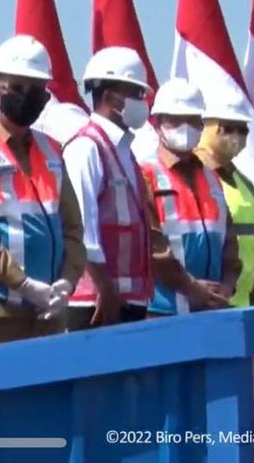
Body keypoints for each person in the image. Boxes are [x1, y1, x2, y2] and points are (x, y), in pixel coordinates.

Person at [0, 35, 86, 343]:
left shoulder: (52, 150)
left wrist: (67, 281)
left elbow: (73, 228)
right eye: (19, 88)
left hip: (51, 313)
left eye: (38, 91)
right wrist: (23, 284)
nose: (29, 97)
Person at [61, 46, 156, 330]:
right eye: (136, 94)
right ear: (110, 96)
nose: (143, 102)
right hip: (95, 303)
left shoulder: (126, 151)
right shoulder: (86, 148)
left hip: (126, 301)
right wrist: (105, 288)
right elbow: (82, 227)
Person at [139, 79, 239, 317]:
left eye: (193, 120)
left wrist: (227, 285)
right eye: (175, 119)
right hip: (162, 313)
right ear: (156, 123)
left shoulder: (212, 178)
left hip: (212, 309)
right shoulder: (146, 174)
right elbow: (151, 248)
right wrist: (192, 288)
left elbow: (230, 242)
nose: (185, 127)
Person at [194, 97, 254, 307]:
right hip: (210, 302)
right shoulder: (193, 176)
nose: (237, 136)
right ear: (206, 126)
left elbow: (251, 250)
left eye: (243, 130)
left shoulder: (244, 183)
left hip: (243, 304)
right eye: (228, 128)